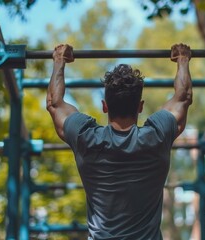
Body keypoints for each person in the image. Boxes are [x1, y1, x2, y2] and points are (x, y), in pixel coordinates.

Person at [46, 43, 192, 240]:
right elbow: (183, 98)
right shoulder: (157, 136)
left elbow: (54, 104)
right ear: (140, 107)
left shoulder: (86, 138)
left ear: (105, 106)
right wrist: (182, 60)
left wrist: (59, 61)